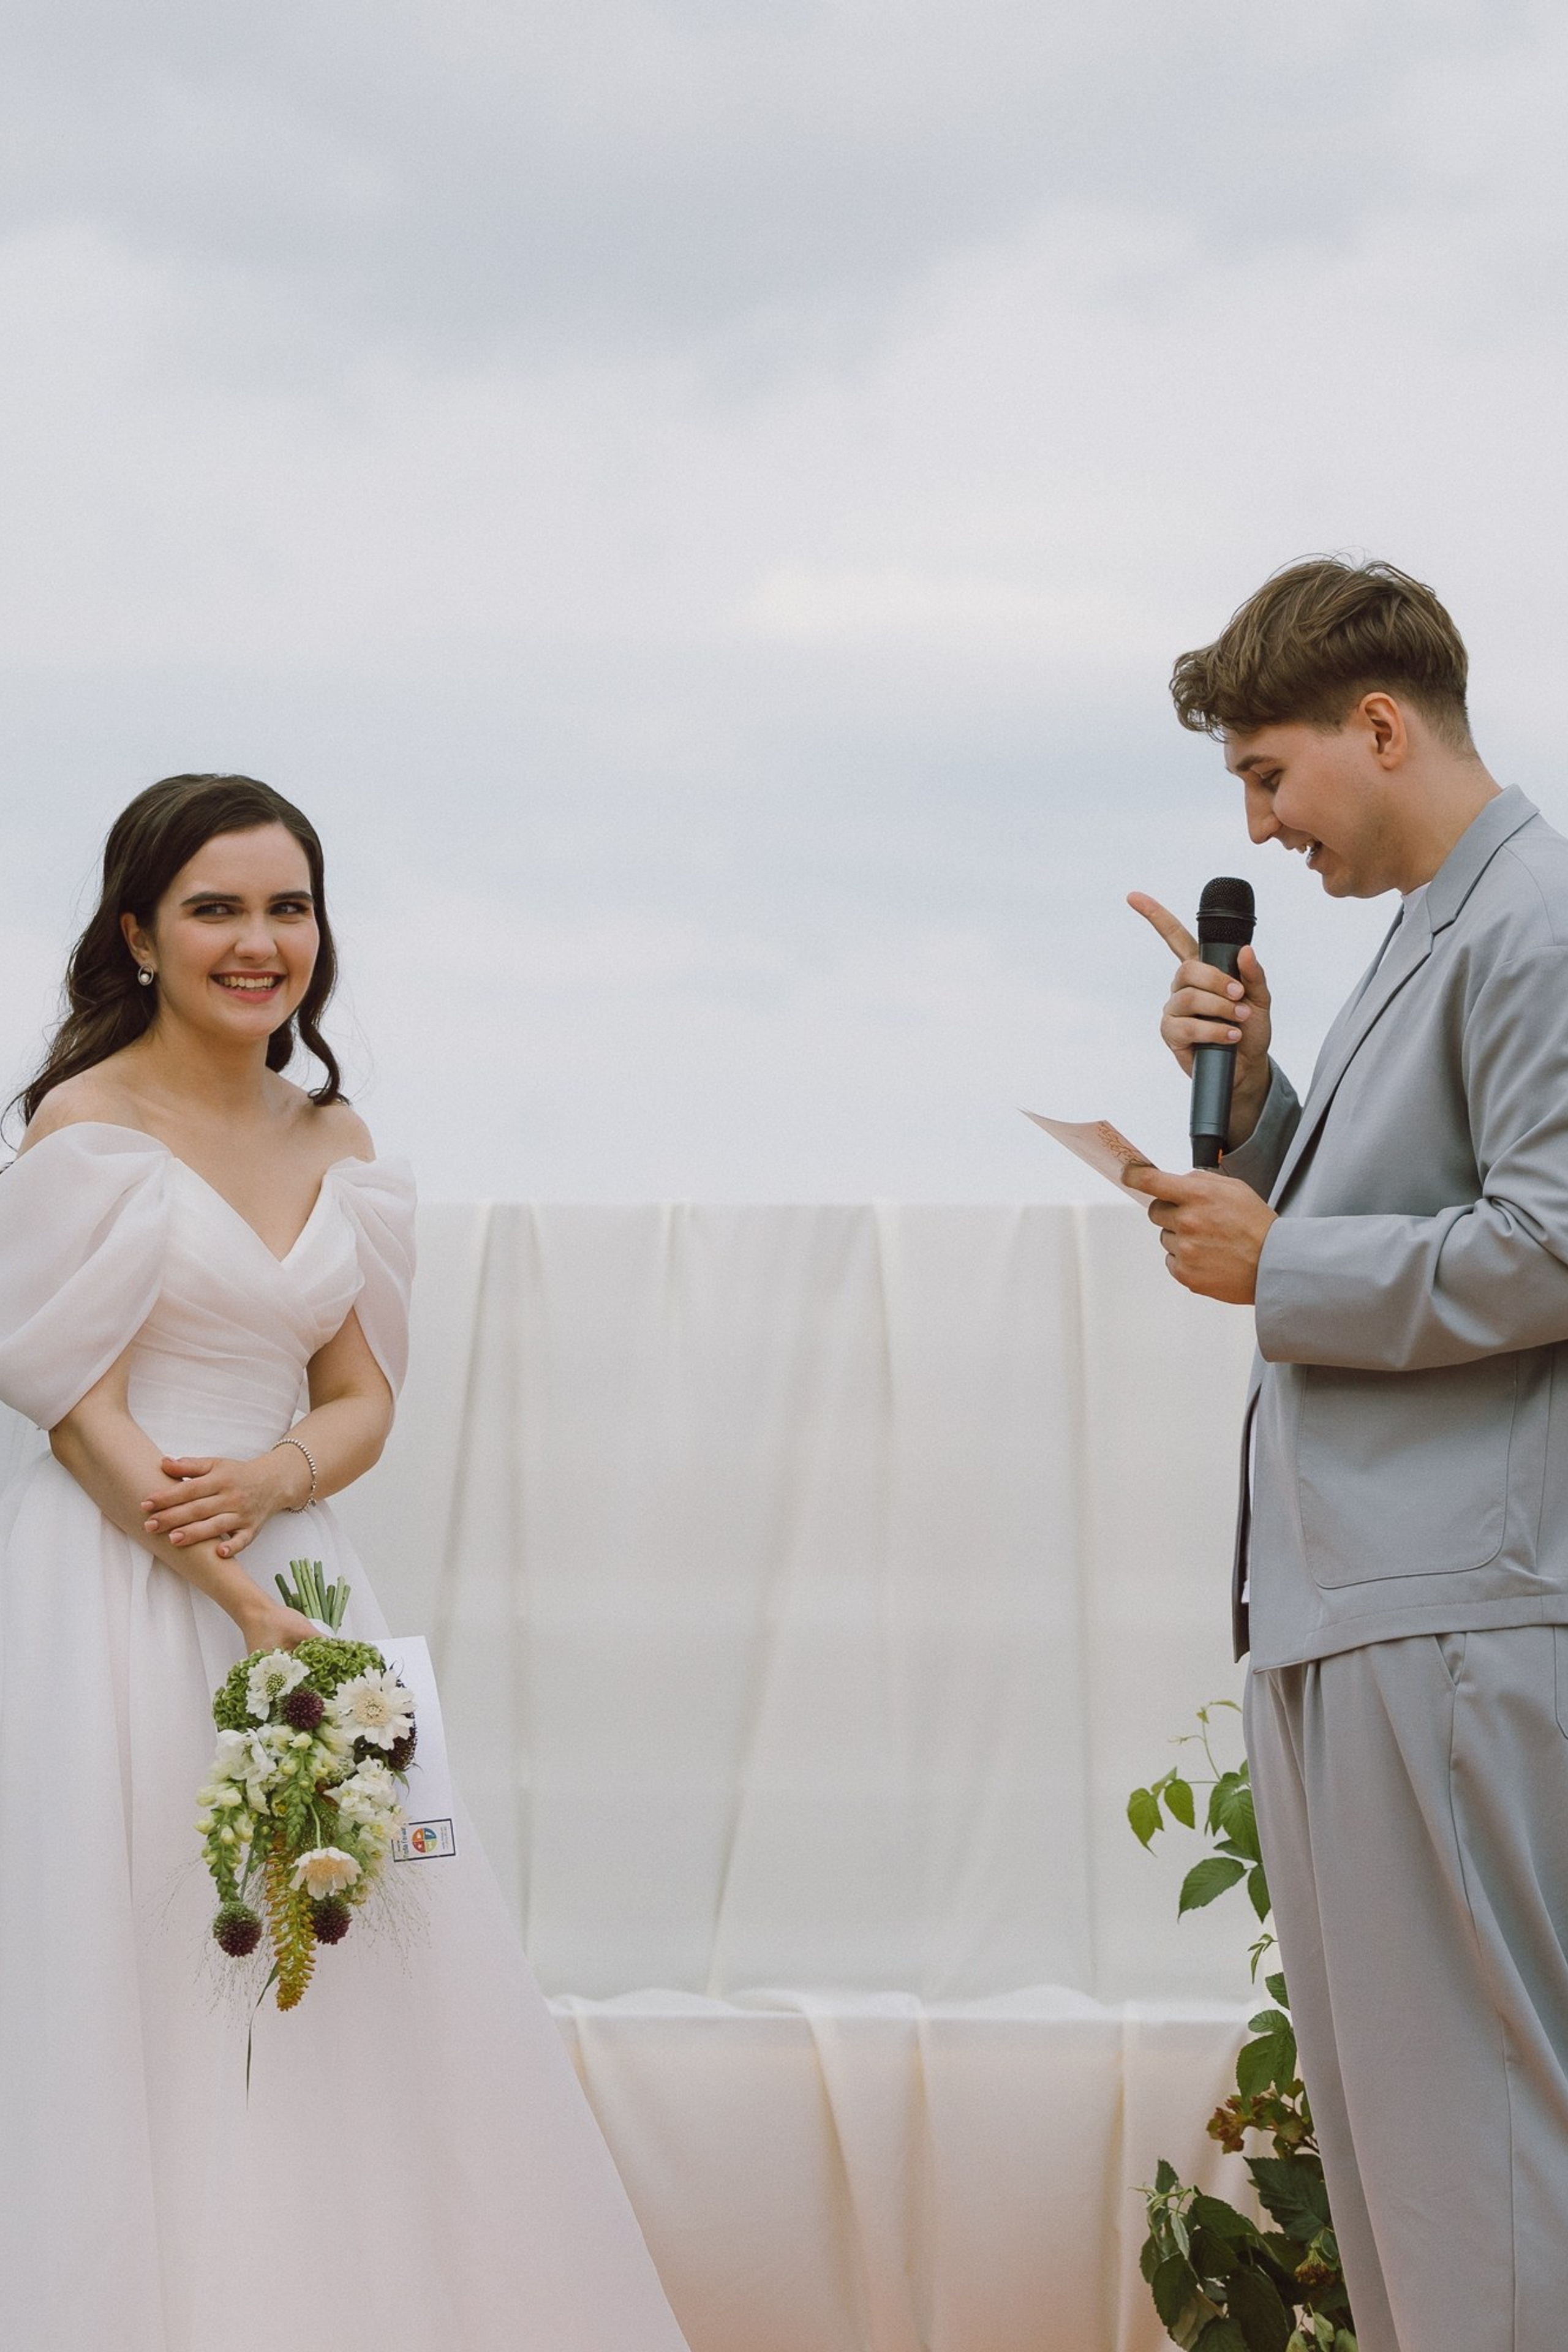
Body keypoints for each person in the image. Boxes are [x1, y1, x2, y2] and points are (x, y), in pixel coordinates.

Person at [0, 774, 692, 2352]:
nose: (260, 942)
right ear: (137, 935)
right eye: (217, 909)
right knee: (140, 1969)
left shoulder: (340, 1136)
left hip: (306, 1579)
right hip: (118, 1598)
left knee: (368, 1967)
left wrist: (279, 1488)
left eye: (288, 907)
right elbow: (75, 1413)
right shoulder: (84, 1128)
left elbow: (366, 1395)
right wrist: (243, 1601)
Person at [1125, 559, 1568, 2352]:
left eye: (1269, 773)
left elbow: (1550, 1241)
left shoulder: (1536, 918)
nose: (1260, 823)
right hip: (1353, 1607)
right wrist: (1269, 1103)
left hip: (1457, 1610)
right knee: (1402, 2145)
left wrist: (1275, 1261)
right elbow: (1427, 1204)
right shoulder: (1437, 928)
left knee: (1485, 2142)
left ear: (1382, 725)